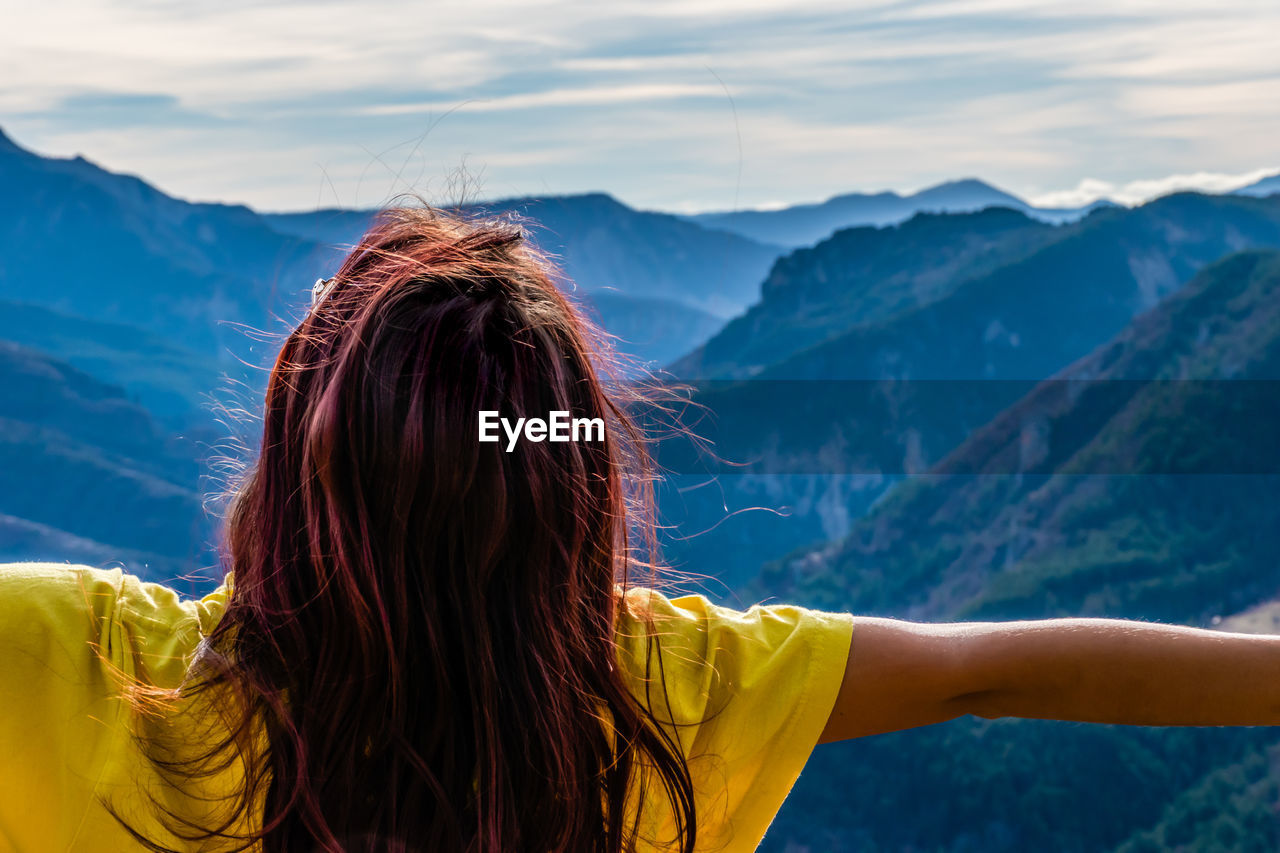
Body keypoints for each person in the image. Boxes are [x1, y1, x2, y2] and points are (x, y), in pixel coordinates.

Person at [1, 205, 1279, 853]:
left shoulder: (65, 661)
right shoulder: (652, 698)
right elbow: (992, 668)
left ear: (293, 463)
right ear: (573, 499)